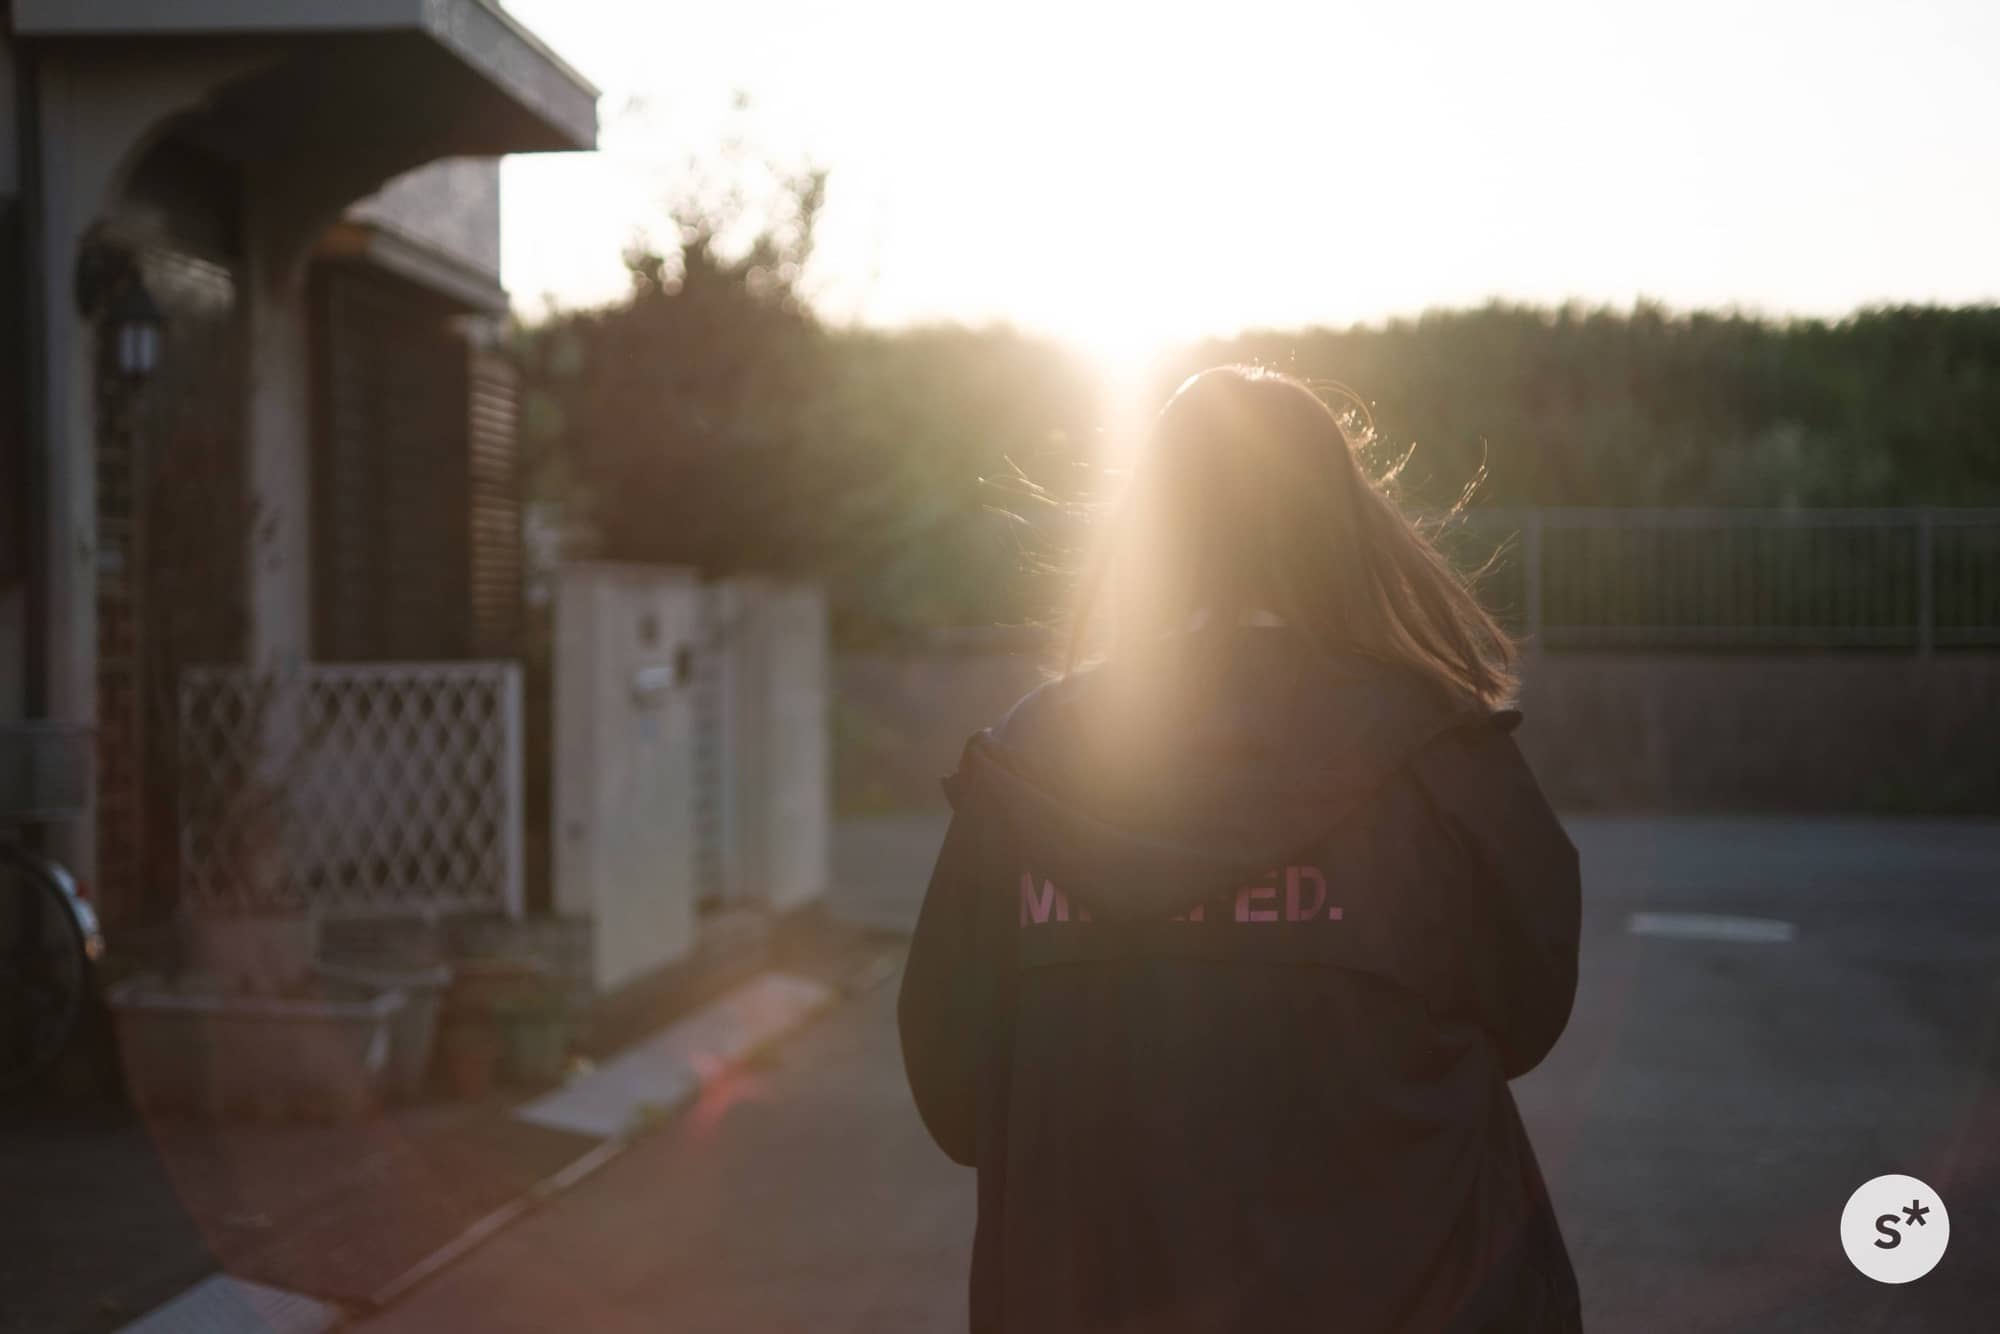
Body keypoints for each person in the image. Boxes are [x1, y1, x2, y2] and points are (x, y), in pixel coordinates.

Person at [897, 365, 1582, 1333]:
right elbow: (1530, 1007)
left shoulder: (1026, 759)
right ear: (1342, 525)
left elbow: (952, 1083)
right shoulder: (1439, 752)